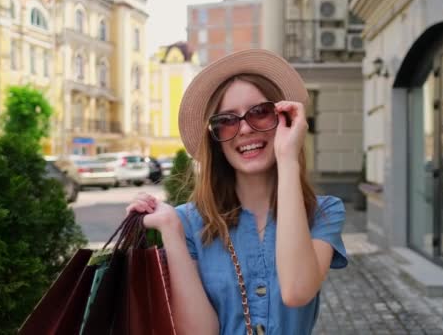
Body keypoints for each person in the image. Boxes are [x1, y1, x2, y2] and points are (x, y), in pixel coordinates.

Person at [126, 49, 347, 335]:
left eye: (261, 113)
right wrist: (171, 231)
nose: (244, 129)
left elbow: (297, 291)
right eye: (226, 120)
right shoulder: (188, 223)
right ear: (215, 138)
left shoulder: (323, 213)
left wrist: (289, 157)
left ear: (285, 119)